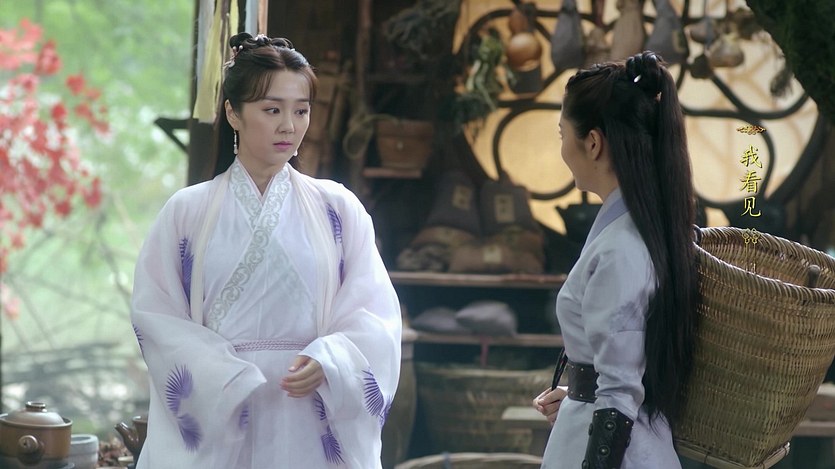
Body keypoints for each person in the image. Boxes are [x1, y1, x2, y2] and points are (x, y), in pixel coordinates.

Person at [130, 33, 402, 468]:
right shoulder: (187, 211)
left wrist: (333, 359)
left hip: (307, 409)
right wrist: (224, 378)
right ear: (233, 113)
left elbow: (375, 312)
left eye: (301, 110)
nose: (289, 126)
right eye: (272, 110)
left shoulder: (338, 208)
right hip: (224, 407)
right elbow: (156, 314)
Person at [532, 51, 699, 468]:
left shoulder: (621, 247)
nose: (562, 148)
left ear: (592, 143)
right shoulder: (635, 232)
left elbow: (619, 393)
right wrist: (577, 396)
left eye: (562, 134)